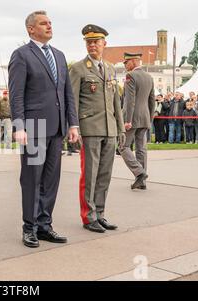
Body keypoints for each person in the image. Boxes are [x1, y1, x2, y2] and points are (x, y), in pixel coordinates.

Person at [9, 11, 79, 248]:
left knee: (51, 179)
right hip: (34, 127)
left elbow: (67, 93)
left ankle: (44, 225)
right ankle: (29, 227)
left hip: (57, 127)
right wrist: (19, 125)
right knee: (32, 179)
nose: (49, 26)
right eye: (43, 23)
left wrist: (73, 123)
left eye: (50, 22)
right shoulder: (21, 55)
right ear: (30, 29)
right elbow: (16, 94)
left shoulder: (58, 55)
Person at [69, 24, 125, 233]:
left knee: (104, 174)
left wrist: (120, 129)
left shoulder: (110, 68)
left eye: (96, 41)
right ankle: (88, 216)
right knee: (90, 175)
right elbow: (72, 101)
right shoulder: (78, 68)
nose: (92, 45)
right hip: (89, 128)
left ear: (104, 44)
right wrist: (74, 127)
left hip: (109, 129)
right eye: (89, 42)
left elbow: (115, 103)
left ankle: (100, 213)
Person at [118, 53, 155, 190]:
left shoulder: (131, 76)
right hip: (144, 117)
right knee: (141, 149)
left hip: (132, 118)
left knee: (122, 146)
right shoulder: (149, 77)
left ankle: (139, 173)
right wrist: (149, 119)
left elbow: (129, 101)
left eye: (126, 62)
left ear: (134, 62)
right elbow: (152, 101)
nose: (125, 65)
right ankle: (141, 182)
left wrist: (127, 120)